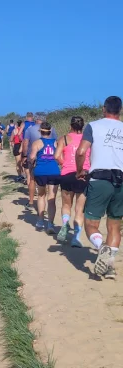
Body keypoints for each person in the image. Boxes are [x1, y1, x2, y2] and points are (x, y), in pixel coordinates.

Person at [76, 96, 123, 280]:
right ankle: (109, 267)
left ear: (104, 109)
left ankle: (100, 246)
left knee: (91, 224)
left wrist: (80, 170)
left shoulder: (93, 126)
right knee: (114, 226)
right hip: (121, 181)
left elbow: (81, 151)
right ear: (119, 110)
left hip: (100, 179)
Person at [54, 116, 90, 247]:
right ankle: (76, 237)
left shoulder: (63, 139)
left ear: (70, 126)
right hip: (83, 175)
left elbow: (57, 156)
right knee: (79, 209)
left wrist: (65, 164)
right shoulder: (88, 139)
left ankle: (64, 224)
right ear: (82, 127)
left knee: (66, 205)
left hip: (67, 174)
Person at [29, 121, 61, 233]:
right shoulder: (56, 143)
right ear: (50, 131)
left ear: (40, 131)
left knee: (41, 195)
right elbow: (60, 157)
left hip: (41, 171)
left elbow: (32, 157)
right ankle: (50, 224)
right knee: (52, 198)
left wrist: (30, 162)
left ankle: (40, 220)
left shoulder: (37, 143)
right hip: (54, 171)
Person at [22, 116, 57, 208]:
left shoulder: (29, 129)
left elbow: (25, 143)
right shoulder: (52, 129)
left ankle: (31, 202)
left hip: (35, 158)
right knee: (51, 192)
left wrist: (25, 155)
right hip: (51, 160)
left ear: (36, 120)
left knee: (32, 179)